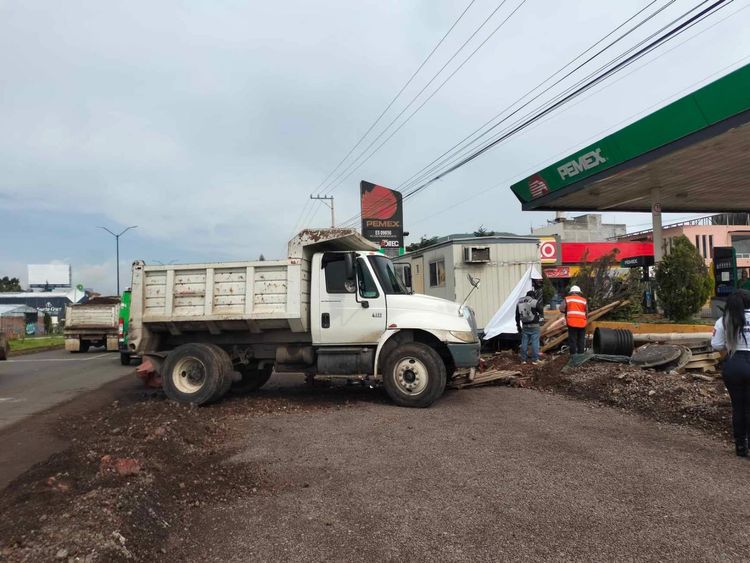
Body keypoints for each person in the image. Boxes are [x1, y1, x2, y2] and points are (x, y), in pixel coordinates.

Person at [711, 289, 750, 457]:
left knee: (738, 407)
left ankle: (740, 446)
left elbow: (717, 345)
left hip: (734, 364)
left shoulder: (723, 320)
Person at [516, 289, 544, 364]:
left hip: (525, 325)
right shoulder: (534, 302)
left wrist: (518, 326)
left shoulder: (520, 302)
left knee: (524, 342)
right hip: (534, 325)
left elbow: (517, 316)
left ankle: (523, 360)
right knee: (535, 342)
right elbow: (541, 311)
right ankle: (535, 359)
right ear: (532, 296)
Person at [560, 285, 587, 354]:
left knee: (572, 340)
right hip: (582, 323)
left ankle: (573, 356)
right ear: (579, 292)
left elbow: (561, 308)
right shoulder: (584, 300)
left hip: (572, 322)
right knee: (581, 340)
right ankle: (580, 355)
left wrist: (567, 311)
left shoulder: (567, 299)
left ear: (571, 292)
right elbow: (586, 312)